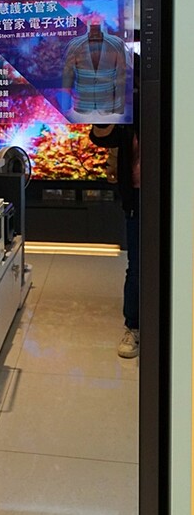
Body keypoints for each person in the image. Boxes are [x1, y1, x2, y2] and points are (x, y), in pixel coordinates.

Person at [89, 55, 140, 358]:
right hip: (137, 196)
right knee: (137, 265)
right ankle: (133, 327)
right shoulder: (124, 106)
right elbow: (102, 137)